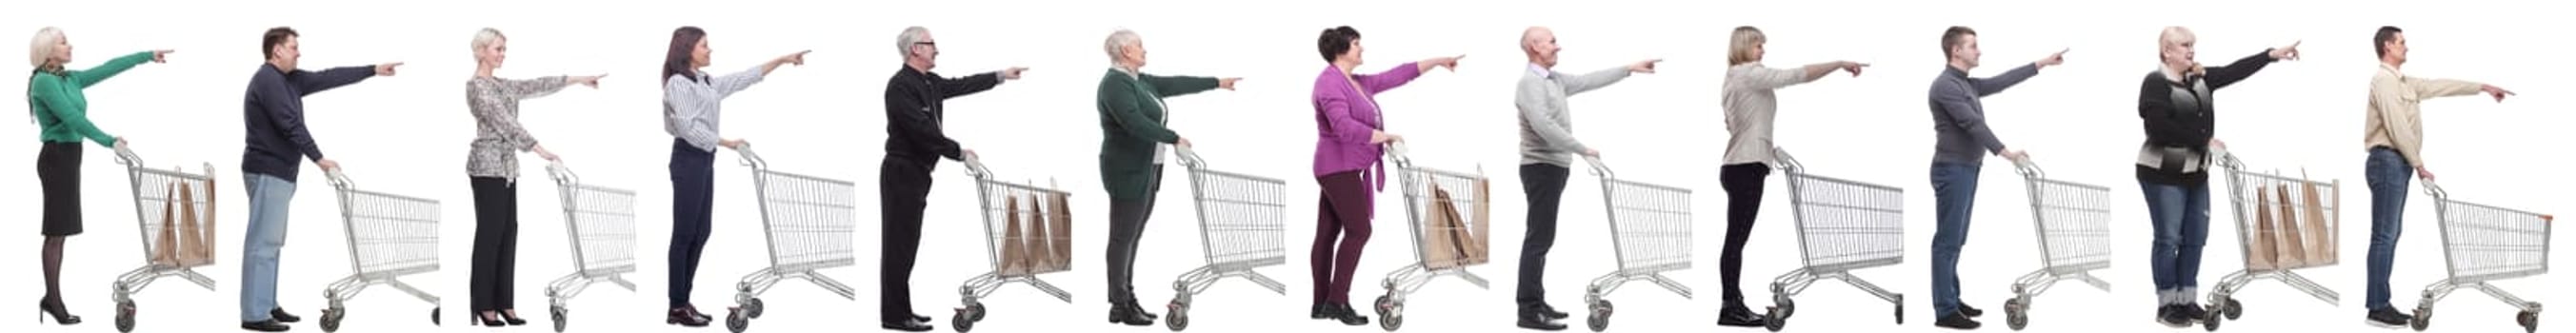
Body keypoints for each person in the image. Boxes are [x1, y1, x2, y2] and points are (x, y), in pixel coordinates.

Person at [2131, 27, 2298, 327]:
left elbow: (2235, 71)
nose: (2191, 50)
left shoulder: (2199, 79)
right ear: (2167, 51)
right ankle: (2167, 305)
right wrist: (2204, 141)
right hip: (2162, 173)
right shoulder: (2155, 83)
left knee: (2196, 238)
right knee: (2169, 239)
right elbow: (2159, 127)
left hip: (2196, 173)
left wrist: (2270, 56)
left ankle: (2187, 300)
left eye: (2192, 45)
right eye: (2184, 45)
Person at [239, 27, 401, 332]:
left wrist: (373, 70)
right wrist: (320, 159)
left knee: (272, 243)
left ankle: (267, 304)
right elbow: (290, 124)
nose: (298, 52)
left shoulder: (288, 80)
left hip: (280, 172)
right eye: (293, 47)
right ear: (277, 51)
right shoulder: (268, 80)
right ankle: (255, 314)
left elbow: (329, 77)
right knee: (262, 243)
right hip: (267, 170)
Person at [2355, 26, 2513, 328]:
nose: (2407, 47)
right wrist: (2419, 164)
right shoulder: (2383, 82)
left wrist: (2482, 86)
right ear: (2387, 46)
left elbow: (2439, 86)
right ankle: (2377, 307)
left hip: (2396, 164)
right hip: (2388, 162)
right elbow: (2397, 124)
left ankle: (2380, 304)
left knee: (2389, 236)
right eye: (2402, 42)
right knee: (2384, 237)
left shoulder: (2403, 82)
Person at [1307, 26, 1462, 326]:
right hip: (1337, 167)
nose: (1361, 49)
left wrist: (1439, 61)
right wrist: (1385, 136)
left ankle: (1322, 304)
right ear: (1341, 51)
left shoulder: (1355, 83)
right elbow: (1344, 128)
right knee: (1359, 231)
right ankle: (1337, 302)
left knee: (1327, 233)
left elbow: (1397, 75)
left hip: (1342, 167)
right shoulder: (1329, 84)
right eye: (1356, 44)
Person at [1714, 26, 1865, 328]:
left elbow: (1737, 126)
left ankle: (1732, 303)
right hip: (1746, 167)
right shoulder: (1749, 73)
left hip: (1738, 165)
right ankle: (1731, 306)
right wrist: (1838, 63)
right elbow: (1796, 75)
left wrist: (1772, 150)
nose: (1763, 50)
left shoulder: (1733, 79)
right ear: (1744, 46)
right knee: (1735, 241)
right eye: (1758, 45)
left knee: (1735, 240)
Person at [1509, 26, 1657, 331]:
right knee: (1538, 239)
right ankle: (1528, 310)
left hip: (1554, 166)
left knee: (1542, 238)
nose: (1557, 47)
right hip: (1541, 167)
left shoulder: (1553, 80)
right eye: (1552, 42)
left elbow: (1588, 80)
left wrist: (1628, 69)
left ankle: (1536, 300)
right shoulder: (1529, 84)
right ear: (1535, 47)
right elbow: (1544, 125)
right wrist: (1581, 148)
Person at [659, 26, 807, 327]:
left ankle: (683, 301)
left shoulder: (705, 81)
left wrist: (781, 60)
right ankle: (677, 305)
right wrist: (727, 142)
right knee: (685, 234)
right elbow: (688, 128)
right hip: (688, 159)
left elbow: (742, 78)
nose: (709, 50)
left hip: (704, 159)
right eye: (704, 45)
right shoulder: (678, 84)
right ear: (688, 49)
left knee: (701, 232)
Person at [880, 26, 1025, 332]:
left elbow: (962, 85)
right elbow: (921, 131)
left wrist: (1000, 76)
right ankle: (894, 316)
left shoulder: (929, 82)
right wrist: (958, 151)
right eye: (931, 44)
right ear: (915, 49)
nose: (937, 49)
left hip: (919, 172)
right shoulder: (900, 86)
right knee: (898, 246)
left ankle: (901, 310)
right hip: (901, 171)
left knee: (907, 245)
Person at [1092, 29, 1240, 326]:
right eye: (1139, 46)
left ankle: (1125, 298)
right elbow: (1134, 122)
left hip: (1148, 167)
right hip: (1127, 170)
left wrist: (1216, 83)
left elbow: (1174, 83)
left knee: (1133, 236)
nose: (1144, 50)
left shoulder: (1138, 80)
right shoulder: (1114, 85)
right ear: (1125, 52)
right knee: (1123, 238)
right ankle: (1120, 302)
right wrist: (1174, 138)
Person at [25, 27, 170, 326]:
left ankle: (52, 297)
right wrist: (109, 140)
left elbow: (108, 68)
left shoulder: (69, 78)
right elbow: (73, 118)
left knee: (60, 232)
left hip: (69, 158)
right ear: (48, 50)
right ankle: (53, 300)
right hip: (56, 159)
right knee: (55, 232)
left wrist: (145, 56)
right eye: (63, 42)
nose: (70, 46)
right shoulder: (43, 82)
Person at [462, 28, 604, 328]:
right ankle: (484, 305)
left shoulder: (502, 84)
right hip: (487, 168)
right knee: (489, 236)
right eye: (498, 49)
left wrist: (575, 80)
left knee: (508, 233)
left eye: (504, 49)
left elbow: (537, 85)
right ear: (481, 51)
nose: (502, 54)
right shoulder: (477, 87)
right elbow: (505, 123)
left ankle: (505, 303)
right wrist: (540, 149)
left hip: (508, 169)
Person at [1923, 26, 2063, 330]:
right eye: (1973, 45)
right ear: (1955, 51)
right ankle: (1945, 311)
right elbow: (1971, 123)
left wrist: (2041, 63)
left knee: (1956, 240)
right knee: (1946, 242)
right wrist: (2006, 152)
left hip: (1968, 168)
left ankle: (1951, 297)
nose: (1979, 50)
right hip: (1952, 169)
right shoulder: (1945, 86)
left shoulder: (1965, 84)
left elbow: (2001, 81)